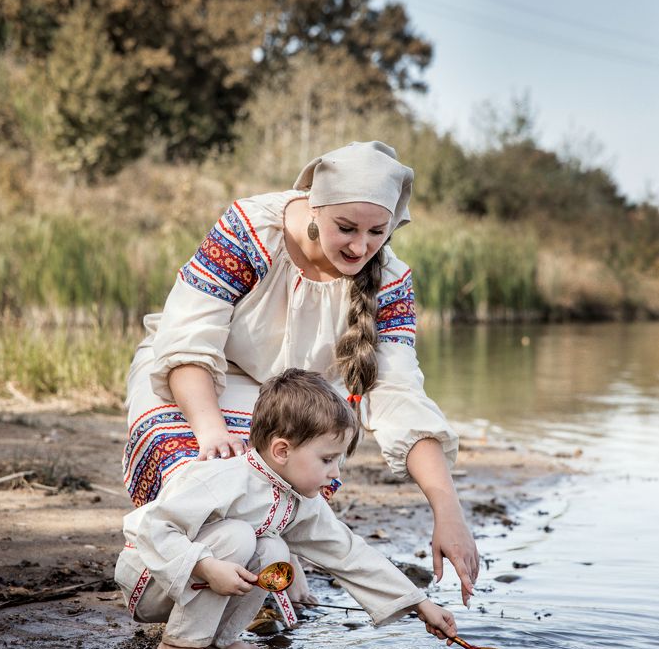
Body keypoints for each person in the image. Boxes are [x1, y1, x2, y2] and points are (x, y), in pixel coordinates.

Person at [123, 140, 479, 605]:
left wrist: (447, 510)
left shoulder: (389, 282)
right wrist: (209, 430)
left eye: (377, 232)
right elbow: (190, 337)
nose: (360, 246)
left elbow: (398, 396)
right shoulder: (252, 230)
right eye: (346, 228)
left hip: (293, 397)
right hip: (196, 376)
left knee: (299, 464)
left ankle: (259, 580)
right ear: (315, 205)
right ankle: (170, 589)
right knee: (203, 476)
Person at [115, 369, 458, 649]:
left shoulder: (295, 498)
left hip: (193, 582)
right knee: (239, 537)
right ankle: (179, 645)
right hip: (151, 580)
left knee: (273, 550)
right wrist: (203, 566)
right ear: (282, 451)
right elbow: (147, 526)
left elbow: (348, 553)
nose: (335, 472)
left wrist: (419, 603)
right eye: (327, 460)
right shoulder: (224, 478)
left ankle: (218, 637)